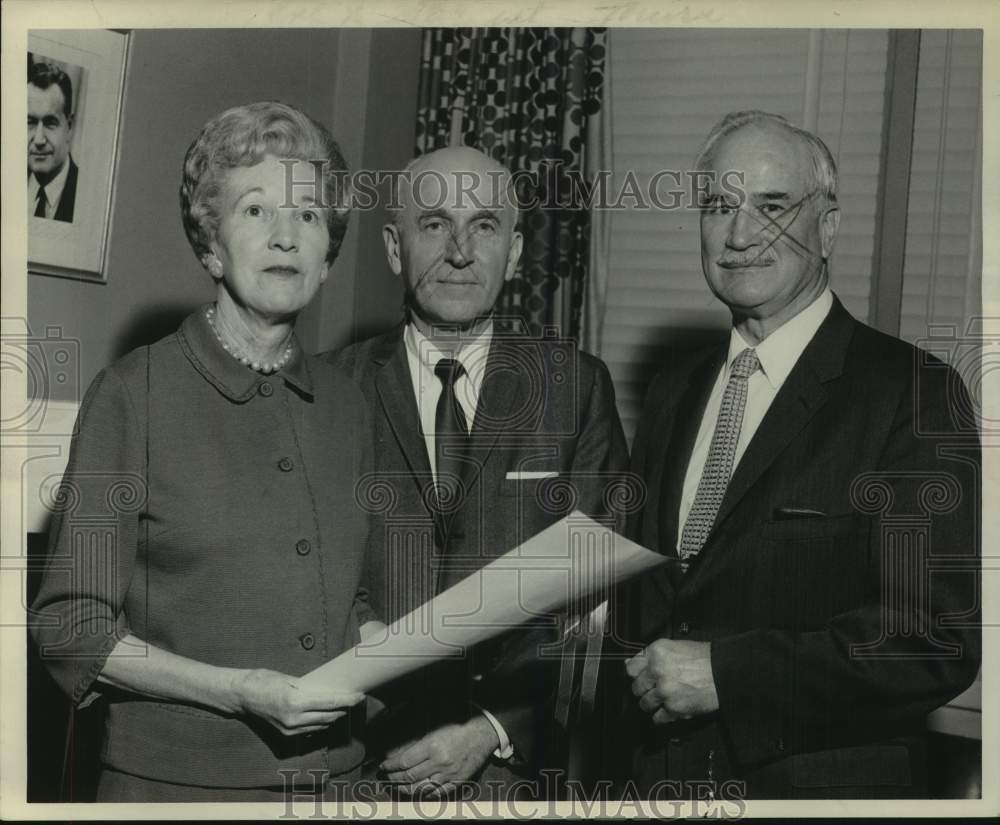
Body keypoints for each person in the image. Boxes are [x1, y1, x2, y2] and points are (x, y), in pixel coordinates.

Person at [613, 110, 980, 799]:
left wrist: (730, 674)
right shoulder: (674, 391)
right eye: (719, 206)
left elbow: (932, 638)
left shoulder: (912, 393)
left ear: (829, 227)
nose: (741, 234)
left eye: (773, 207)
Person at [30, 101, 383, 801]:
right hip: (180, 787)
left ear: (328, 253)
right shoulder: (134, 394)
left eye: (309, 216)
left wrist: (376, 635)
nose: (286, 235)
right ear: (211, 242)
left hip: (341, 783)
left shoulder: (348, 405)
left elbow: (353, 592)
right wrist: (235, 692)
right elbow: (70, 625)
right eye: (256, 210)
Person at [331, 146, 629, 799]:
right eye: (435, 224)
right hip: (357, 765)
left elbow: (597, 602)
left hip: (508, 768)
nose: (460, 250)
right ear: (392, 246)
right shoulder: (331, 390)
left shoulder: (573, 390)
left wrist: (493, 728)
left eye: (485, 226)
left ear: (516, 252)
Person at [28, 59, 79, 222]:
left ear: (69, 127)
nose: (39, 140)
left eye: (50, 123)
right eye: (30, 122)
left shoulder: (86, 194)